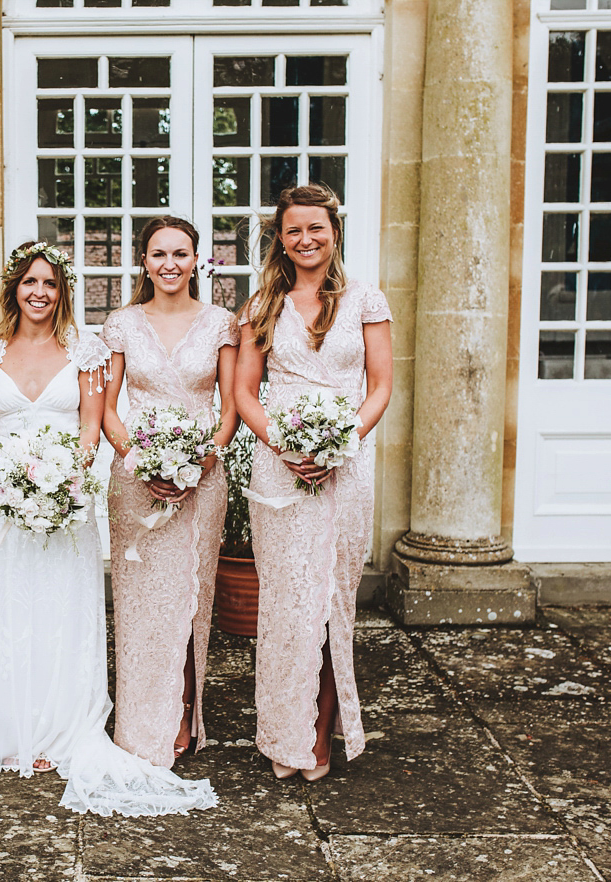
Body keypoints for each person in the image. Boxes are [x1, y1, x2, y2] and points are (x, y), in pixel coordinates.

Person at [0, 240, 218, 816]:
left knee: (63, 609)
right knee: (10, 607)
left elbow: (89, 426)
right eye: (29, 283)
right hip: (9, 504)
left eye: (50, 284)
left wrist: (65, 481)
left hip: (67, 503)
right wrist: (9, 479)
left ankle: (61, 727)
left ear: (63, 293)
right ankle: (9, 725)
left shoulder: (85, 350)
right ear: (14, 290)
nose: (39, 293)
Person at [233, 184, 393, 782]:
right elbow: (246, 393)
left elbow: (379, 387)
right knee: (287, 602)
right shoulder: (262, 306)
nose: (306, 239)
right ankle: (285, 731)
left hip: (346, 467)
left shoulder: (366, 300)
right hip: (281, 466)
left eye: (316, 228)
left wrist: (339, 442)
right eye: (294, 230)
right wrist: (285, 445)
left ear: (334, 231)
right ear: (281, 238)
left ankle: (322, 732)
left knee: (331, 602)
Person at [101, 217, 240, 768]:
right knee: (139, 605)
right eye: (158, 254)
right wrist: (138, 459)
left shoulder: (220, 323)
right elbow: (109, 406)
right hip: (136, 480)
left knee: (189, 600)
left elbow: (230, 406)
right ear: (144, 261)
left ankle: (183, 712)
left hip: (202, 481)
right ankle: (138, 718)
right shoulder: (122, 324)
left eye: (180, 254)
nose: (169, 264)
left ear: (196, 261)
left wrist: (202, 460)